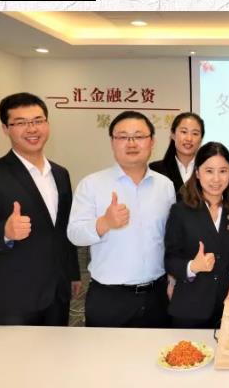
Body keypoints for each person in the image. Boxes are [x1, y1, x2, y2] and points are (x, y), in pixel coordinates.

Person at [68, 111, 176, 328]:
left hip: (156, 296)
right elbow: (75, 234)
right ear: (112, 142)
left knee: (156, 350)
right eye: (123, 137)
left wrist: (173, 280)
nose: (132, 143)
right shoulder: (92, 184)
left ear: (152, 141)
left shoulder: (165, 186)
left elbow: (170, 238)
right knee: (105, 351)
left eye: (139, 136)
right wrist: (104, 223)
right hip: (109, 298)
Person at [0, 92, 81, 325]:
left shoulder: (60, 173)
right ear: (5, 129)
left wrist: (73, 273)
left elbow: (63, 229)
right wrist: (5, 232)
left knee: (57, 348)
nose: (32, 129)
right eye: (21, 123)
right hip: (12, 296)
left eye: (38, 120)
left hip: (57, 292)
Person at [164, 142, 229, 328]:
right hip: (190, 308)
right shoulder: (180, 211)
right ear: (197, 173)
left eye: (223, 171)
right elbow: (170, 259)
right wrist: (192, 266)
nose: (216, 179)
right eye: (209, 171)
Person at [149, 111, 204, 200]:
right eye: (184, 132)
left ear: (201, 139)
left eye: (195, 133)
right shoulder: (156, 169)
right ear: (173, 135)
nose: (189, 138)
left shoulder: (208, 170)